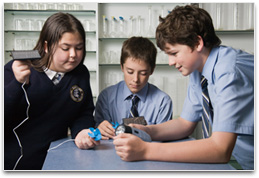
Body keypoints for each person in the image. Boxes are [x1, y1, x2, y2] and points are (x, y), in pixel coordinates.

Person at [113, 5, 254, 170]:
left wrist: (145, 150)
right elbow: (184, 123)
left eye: (174, 53)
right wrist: (147, 131)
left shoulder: (228, 71)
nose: (171, 62)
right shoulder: (198, 71)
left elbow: (220, 149)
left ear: (197, 43)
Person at [4, 12, 100, 170]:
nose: (73, 55)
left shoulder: (80, 73)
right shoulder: (17, 69)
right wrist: (17, 83)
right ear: (46, 46)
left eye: (79, 48)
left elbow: (83, 112)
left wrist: (82, 131)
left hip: (57, 160)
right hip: (17, 162)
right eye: (65, 48)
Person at [95, 37, 173, 139]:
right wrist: (100, 130)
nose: (135, 79)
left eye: (143, 73)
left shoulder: (163, 102)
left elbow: (164, 140)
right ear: (122, 67)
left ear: (152, 70)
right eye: (130, 72)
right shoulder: (106, 97)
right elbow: (99, 135)